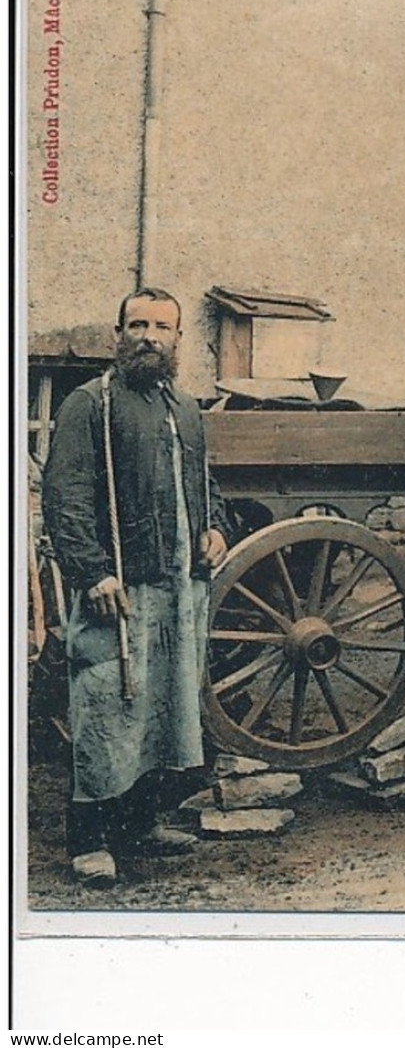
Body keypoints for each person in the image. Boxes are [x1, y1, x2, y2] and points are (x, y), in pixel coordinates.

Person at [41, 288, 231, 886]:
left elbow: (205, 483)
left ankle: (141, 823)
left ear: (178, 338)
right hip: (118, 587)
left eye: (162, 327)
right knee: (108, 705)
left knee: (162, 707)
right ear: (117, 333)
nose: (149, 336)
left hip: (178, 584)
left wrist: (217, 529)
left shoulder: (185, 406)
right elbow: (64, 495)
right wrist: (91, 571)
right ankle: (90, 840)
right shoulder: (89, 404)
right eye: (137, 325)